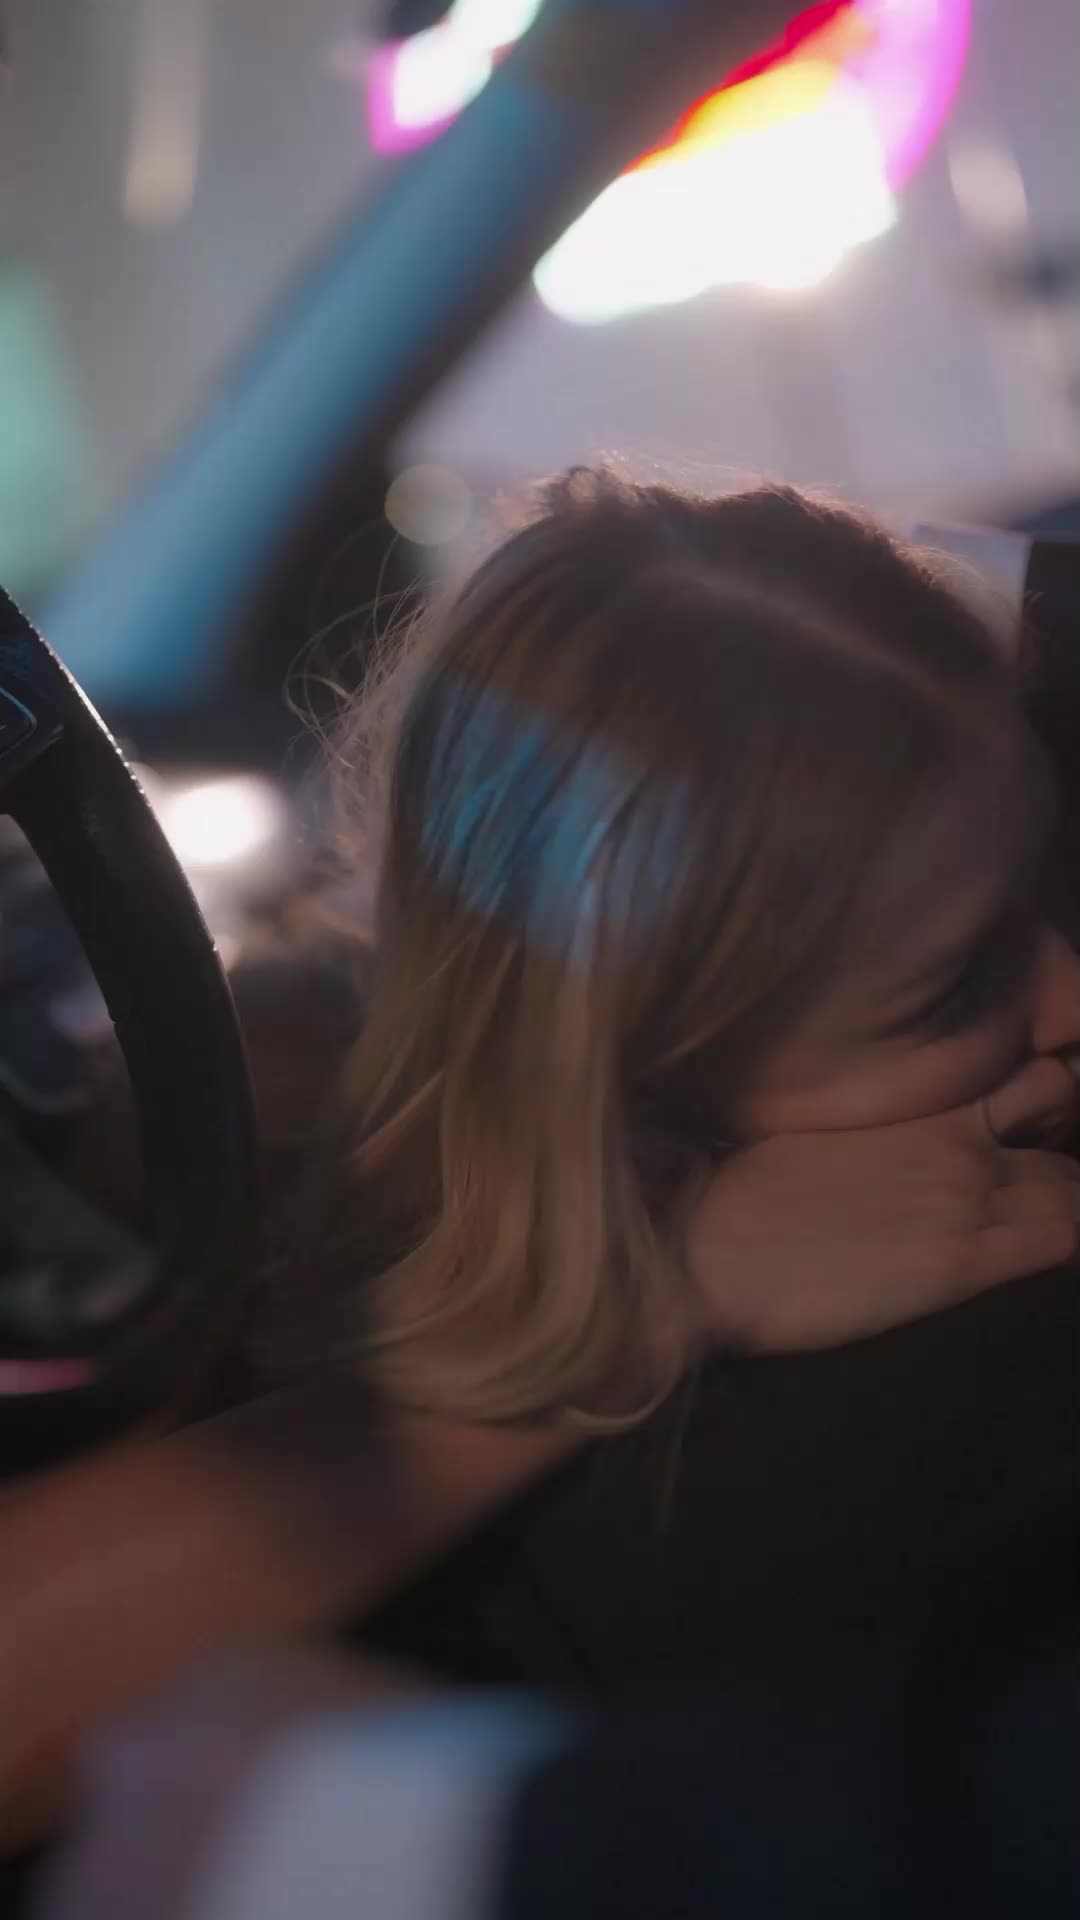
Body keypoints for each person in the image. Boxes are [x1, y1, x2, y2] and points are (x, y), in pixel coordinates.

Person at [4, 470, 1080, 1860]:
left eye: (1043, 882)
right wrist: (662, 1291)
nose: (1071, 993)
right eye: (948, 993)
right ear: (643, 1066)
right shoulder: (817, 1497)